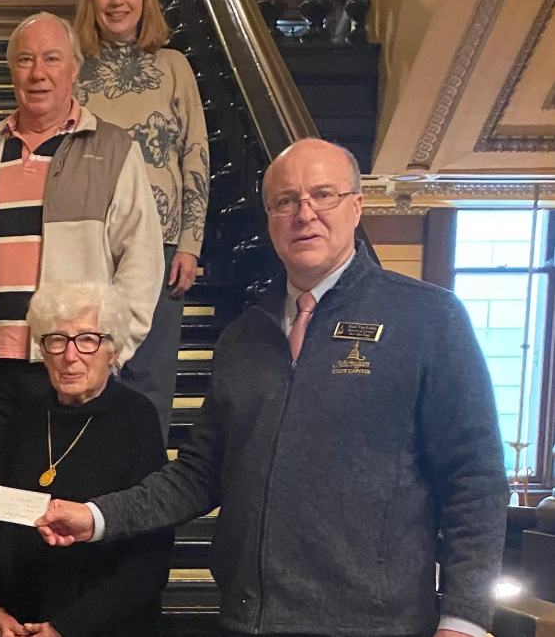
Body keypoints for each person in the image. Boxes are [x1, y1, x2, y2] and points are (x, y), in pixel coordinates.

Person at [37, 139, 510, 637]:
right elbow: (200, 473)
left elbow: (474, 480)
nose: (304, 214)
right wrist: (97, 516)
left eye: (323, 195)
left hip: (375, 624)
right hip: (247, 620)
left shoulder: (428, 319)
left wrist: (465, 619)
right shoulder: (244, 336)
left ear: (356, 206)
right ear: (269, 218)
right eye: (286, 201)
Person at [0, 11, 163, 485]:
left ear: (74, 69)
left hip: (68, 366)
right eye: (24, 60)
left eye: (51, 59)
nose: (37, 72)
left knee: (57, 512)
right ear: (11, 71)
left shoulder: (113, 148)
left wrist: (110, 350)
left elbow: (142, 259)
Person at [0, 281, 171, 637]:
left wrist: (68, 628)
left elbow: (148, 556)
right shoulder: (27, 414)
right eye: (56, 340)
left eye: (87, 339)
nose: (70, 355)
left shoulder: (136, 418)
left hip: (101, 626)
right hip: (17, 624)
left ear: (112, 350)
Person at [75, 0, 209, 442]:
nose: (116, 0)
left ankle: (144, 504)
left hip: (162, 248)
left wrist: (191, 244)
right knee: (87, 372)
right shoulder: (74, 69)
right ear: (91, 0)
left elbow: (195, 153)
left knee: (151, 383)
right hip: (90, 248)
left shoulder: (173, 67)